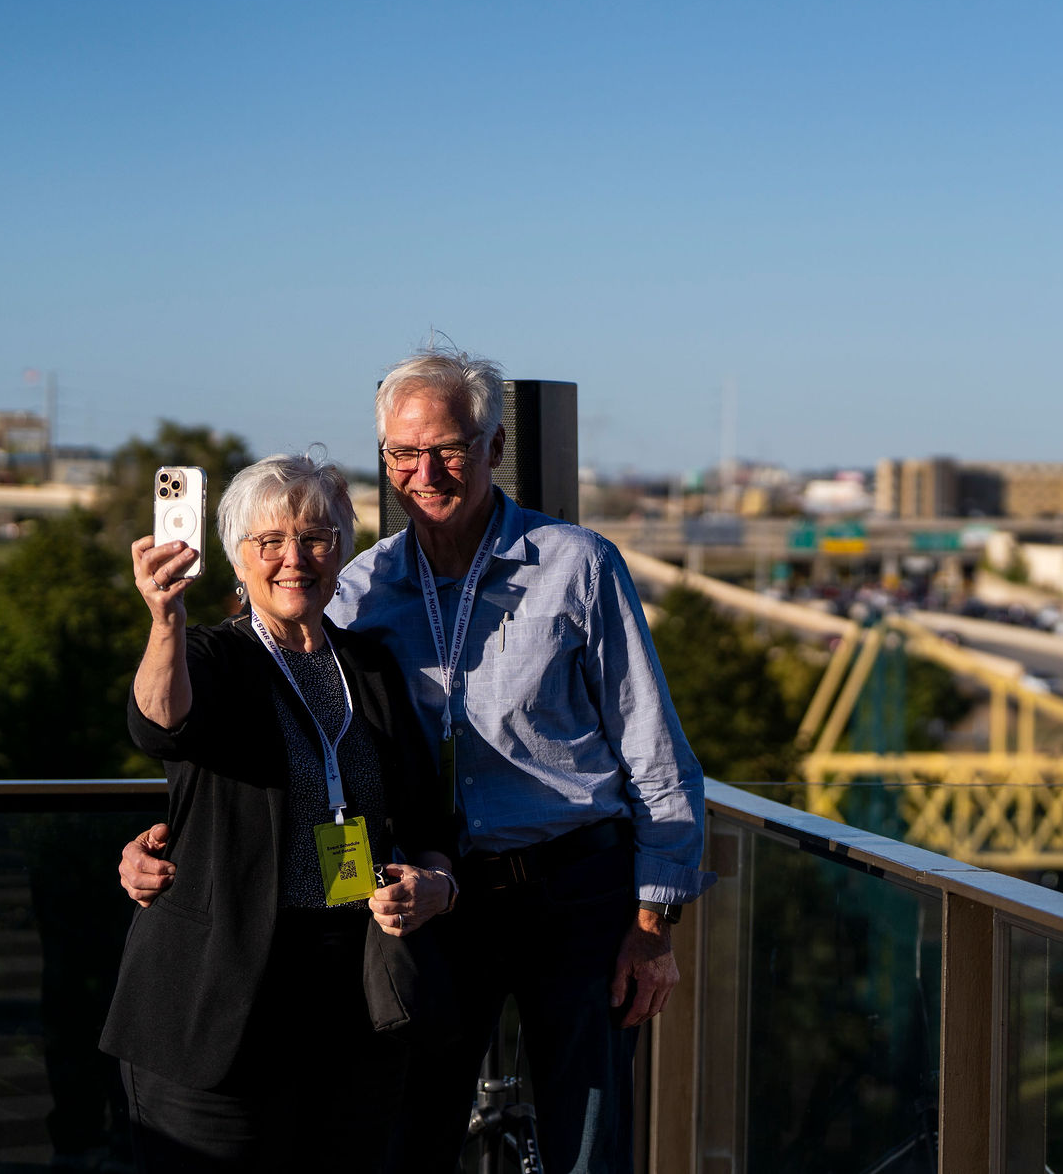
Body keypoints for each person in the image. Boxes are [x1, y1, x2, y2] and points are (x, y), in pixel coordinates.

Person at [120, 345, 711, 1174]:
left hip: (575, 896)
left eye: (447, 448)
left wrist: (653, 926)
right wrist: (169, 836)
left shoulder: (578, 566)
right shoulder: (359, 585)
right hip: (438, 906)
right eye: (403, 452)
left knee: (585, 1147)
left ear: (494, 446)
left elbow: (656, 752)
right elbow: (208, 727)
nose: (424, 472)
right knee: (411, 1140)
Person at [101, 453, 457, 1173]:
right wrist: (165, 620)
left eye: (316, 538)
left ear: (341, 551)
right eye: (269, 541)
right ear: (237, 557)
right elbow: (160, 724)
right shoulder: (210, 655)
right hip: (215, 1001)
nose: (294, 558)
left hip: (351, 1006)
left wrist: (438, 886)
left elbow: (426, 821)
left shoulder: (371, 668)